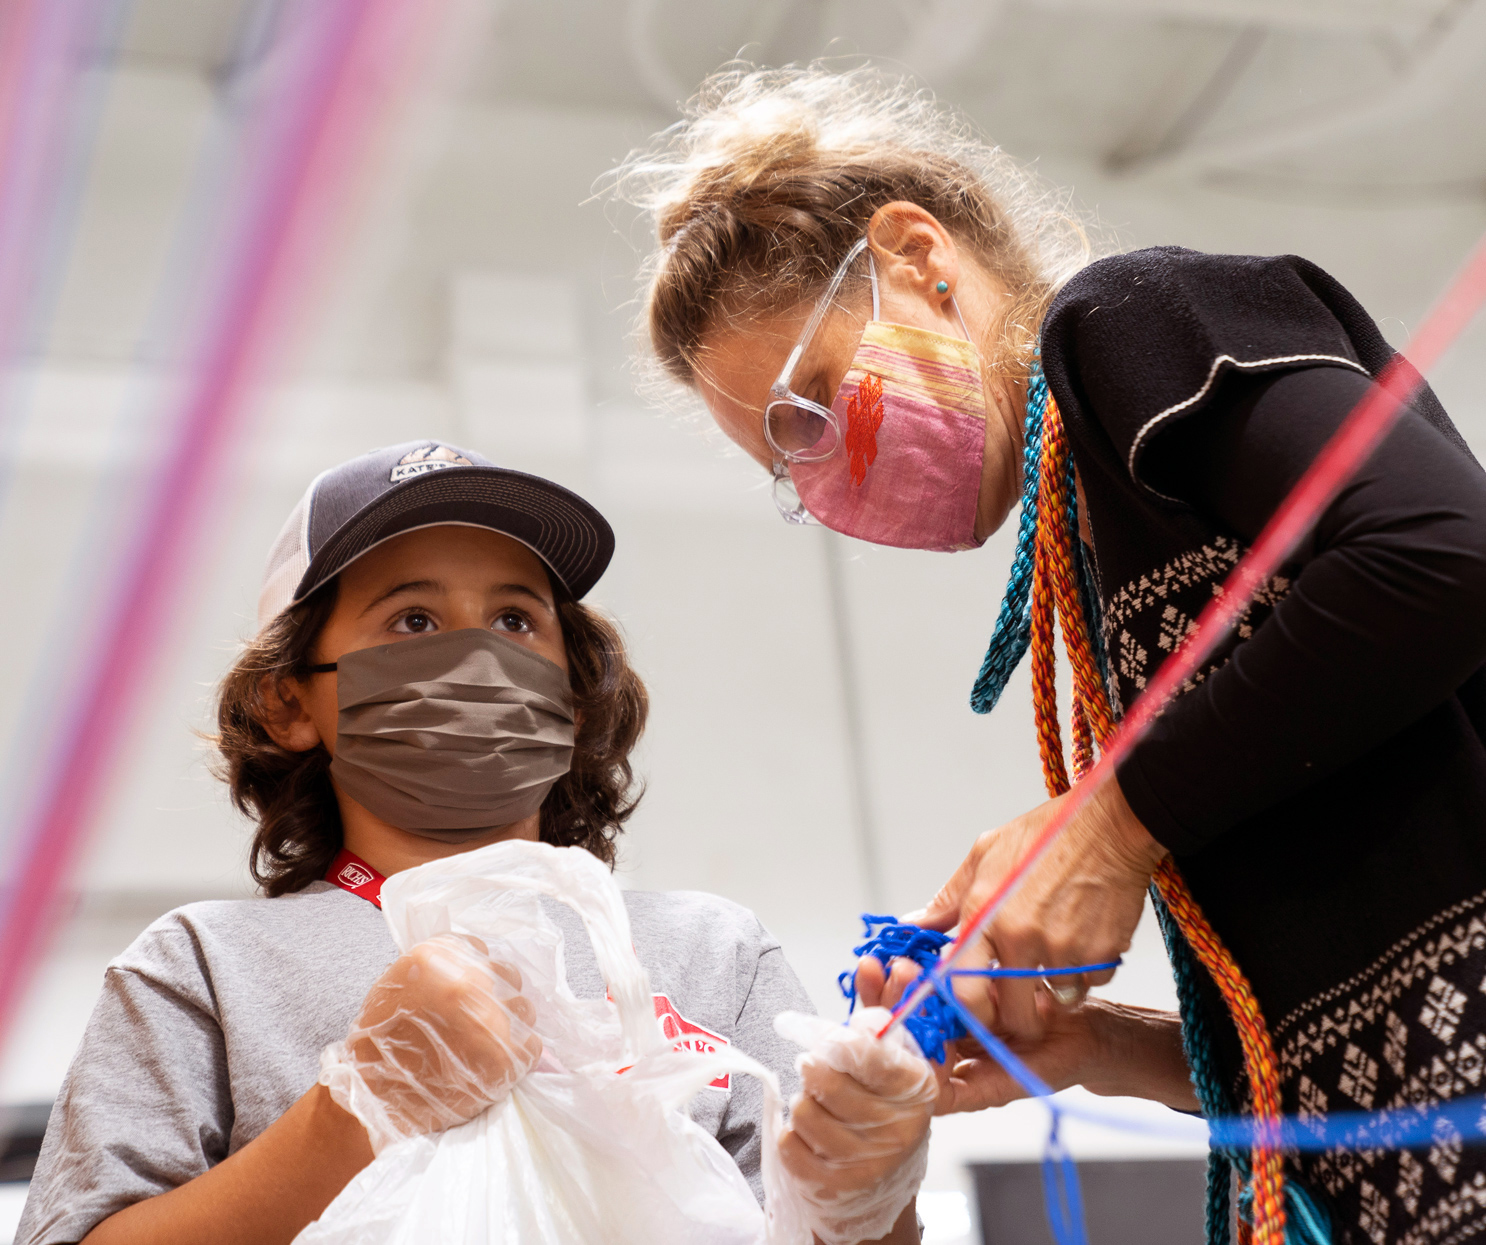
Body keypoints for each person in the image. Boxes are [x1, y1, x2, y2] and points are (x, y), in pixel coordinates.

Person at [614, 63, 1486, 1242]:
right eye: (784, 466)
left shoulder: (1129, 324)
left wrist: (1109, 825)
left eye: (810, 405)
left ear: (920, 257)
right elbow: (1337, 1074)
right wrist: (1092, 1046)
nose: (816, 479)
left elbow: (1443, 553)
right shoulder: (1101, 572)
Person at [18, 440, 933, 1245]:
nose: (480, 658)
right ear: (290, 701)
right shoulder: (202, 969)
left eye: (515, 620)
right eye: (412, 620)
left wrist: (873, 1195)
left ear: (572, 700)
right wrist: (354, 1110)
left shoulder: (711, 953)